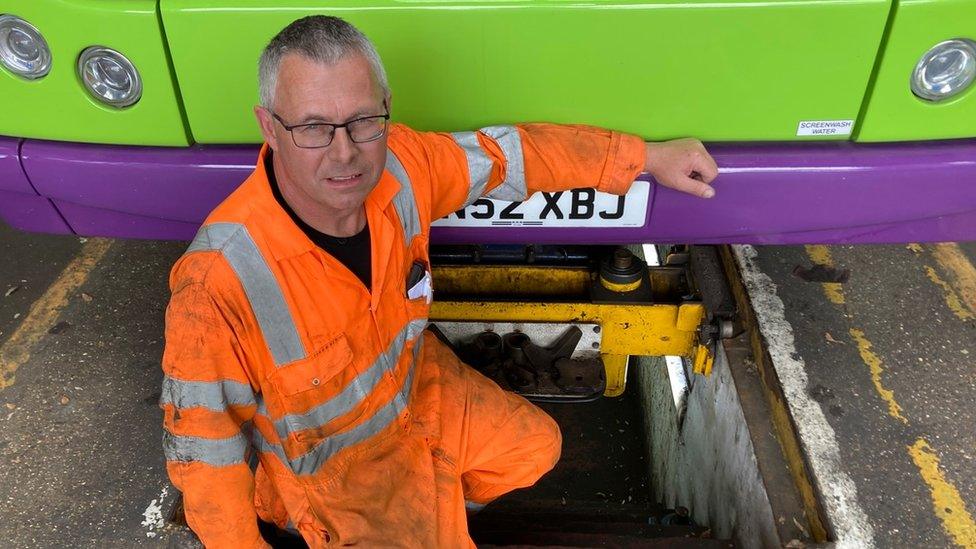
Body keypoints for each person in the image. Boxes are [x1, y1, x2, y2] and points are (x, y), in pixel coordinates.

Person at [160, 15, 719, 549]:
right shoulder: (218, 285)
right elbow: (204, 460)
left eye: (362, 121)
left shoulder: (403, 165)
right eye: (312, 127)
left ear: (386, 110)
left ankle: (440, 509)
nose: (345, 151)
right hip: (337, 479)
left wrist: (645, 157)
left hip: (415, 393)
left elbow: (511, 157)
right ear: (269, 128)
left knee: (534, 448)